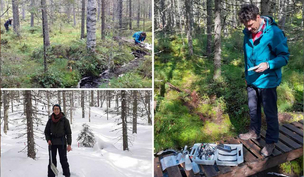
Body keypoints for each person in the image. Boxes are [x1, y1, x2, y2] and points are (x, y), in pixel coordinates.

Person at [238, 4, 289, 157]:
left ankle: (271, 142)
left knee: (270, 113)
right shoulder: (247, 33)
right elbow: (247, 56)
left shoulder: (274, 32)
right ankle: (254, 132)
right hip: (252, 80)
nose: (248, 28)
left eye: (250, 25)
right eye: (245, 26)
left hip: (267, 81)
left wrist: (268, 64)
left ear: (258, 17)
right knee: (253, 109)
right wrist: (247, 77)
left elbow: (284, 57)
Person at [45, 104, 72, 177]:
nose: (56, 110)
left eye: (57, 109)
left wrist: (69, 144)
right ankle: (51, 175)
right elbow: (46, 132)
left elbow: (68, 133)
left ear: (60, 110)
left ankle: (67, 175)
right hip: (52, 143)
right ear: (53, 110)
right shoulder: (50, 120)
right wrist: (48, 140)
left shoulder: (64, 120)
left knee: (63, 160)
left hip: (62, 142)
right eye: (55, 109)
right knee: (52, 161)